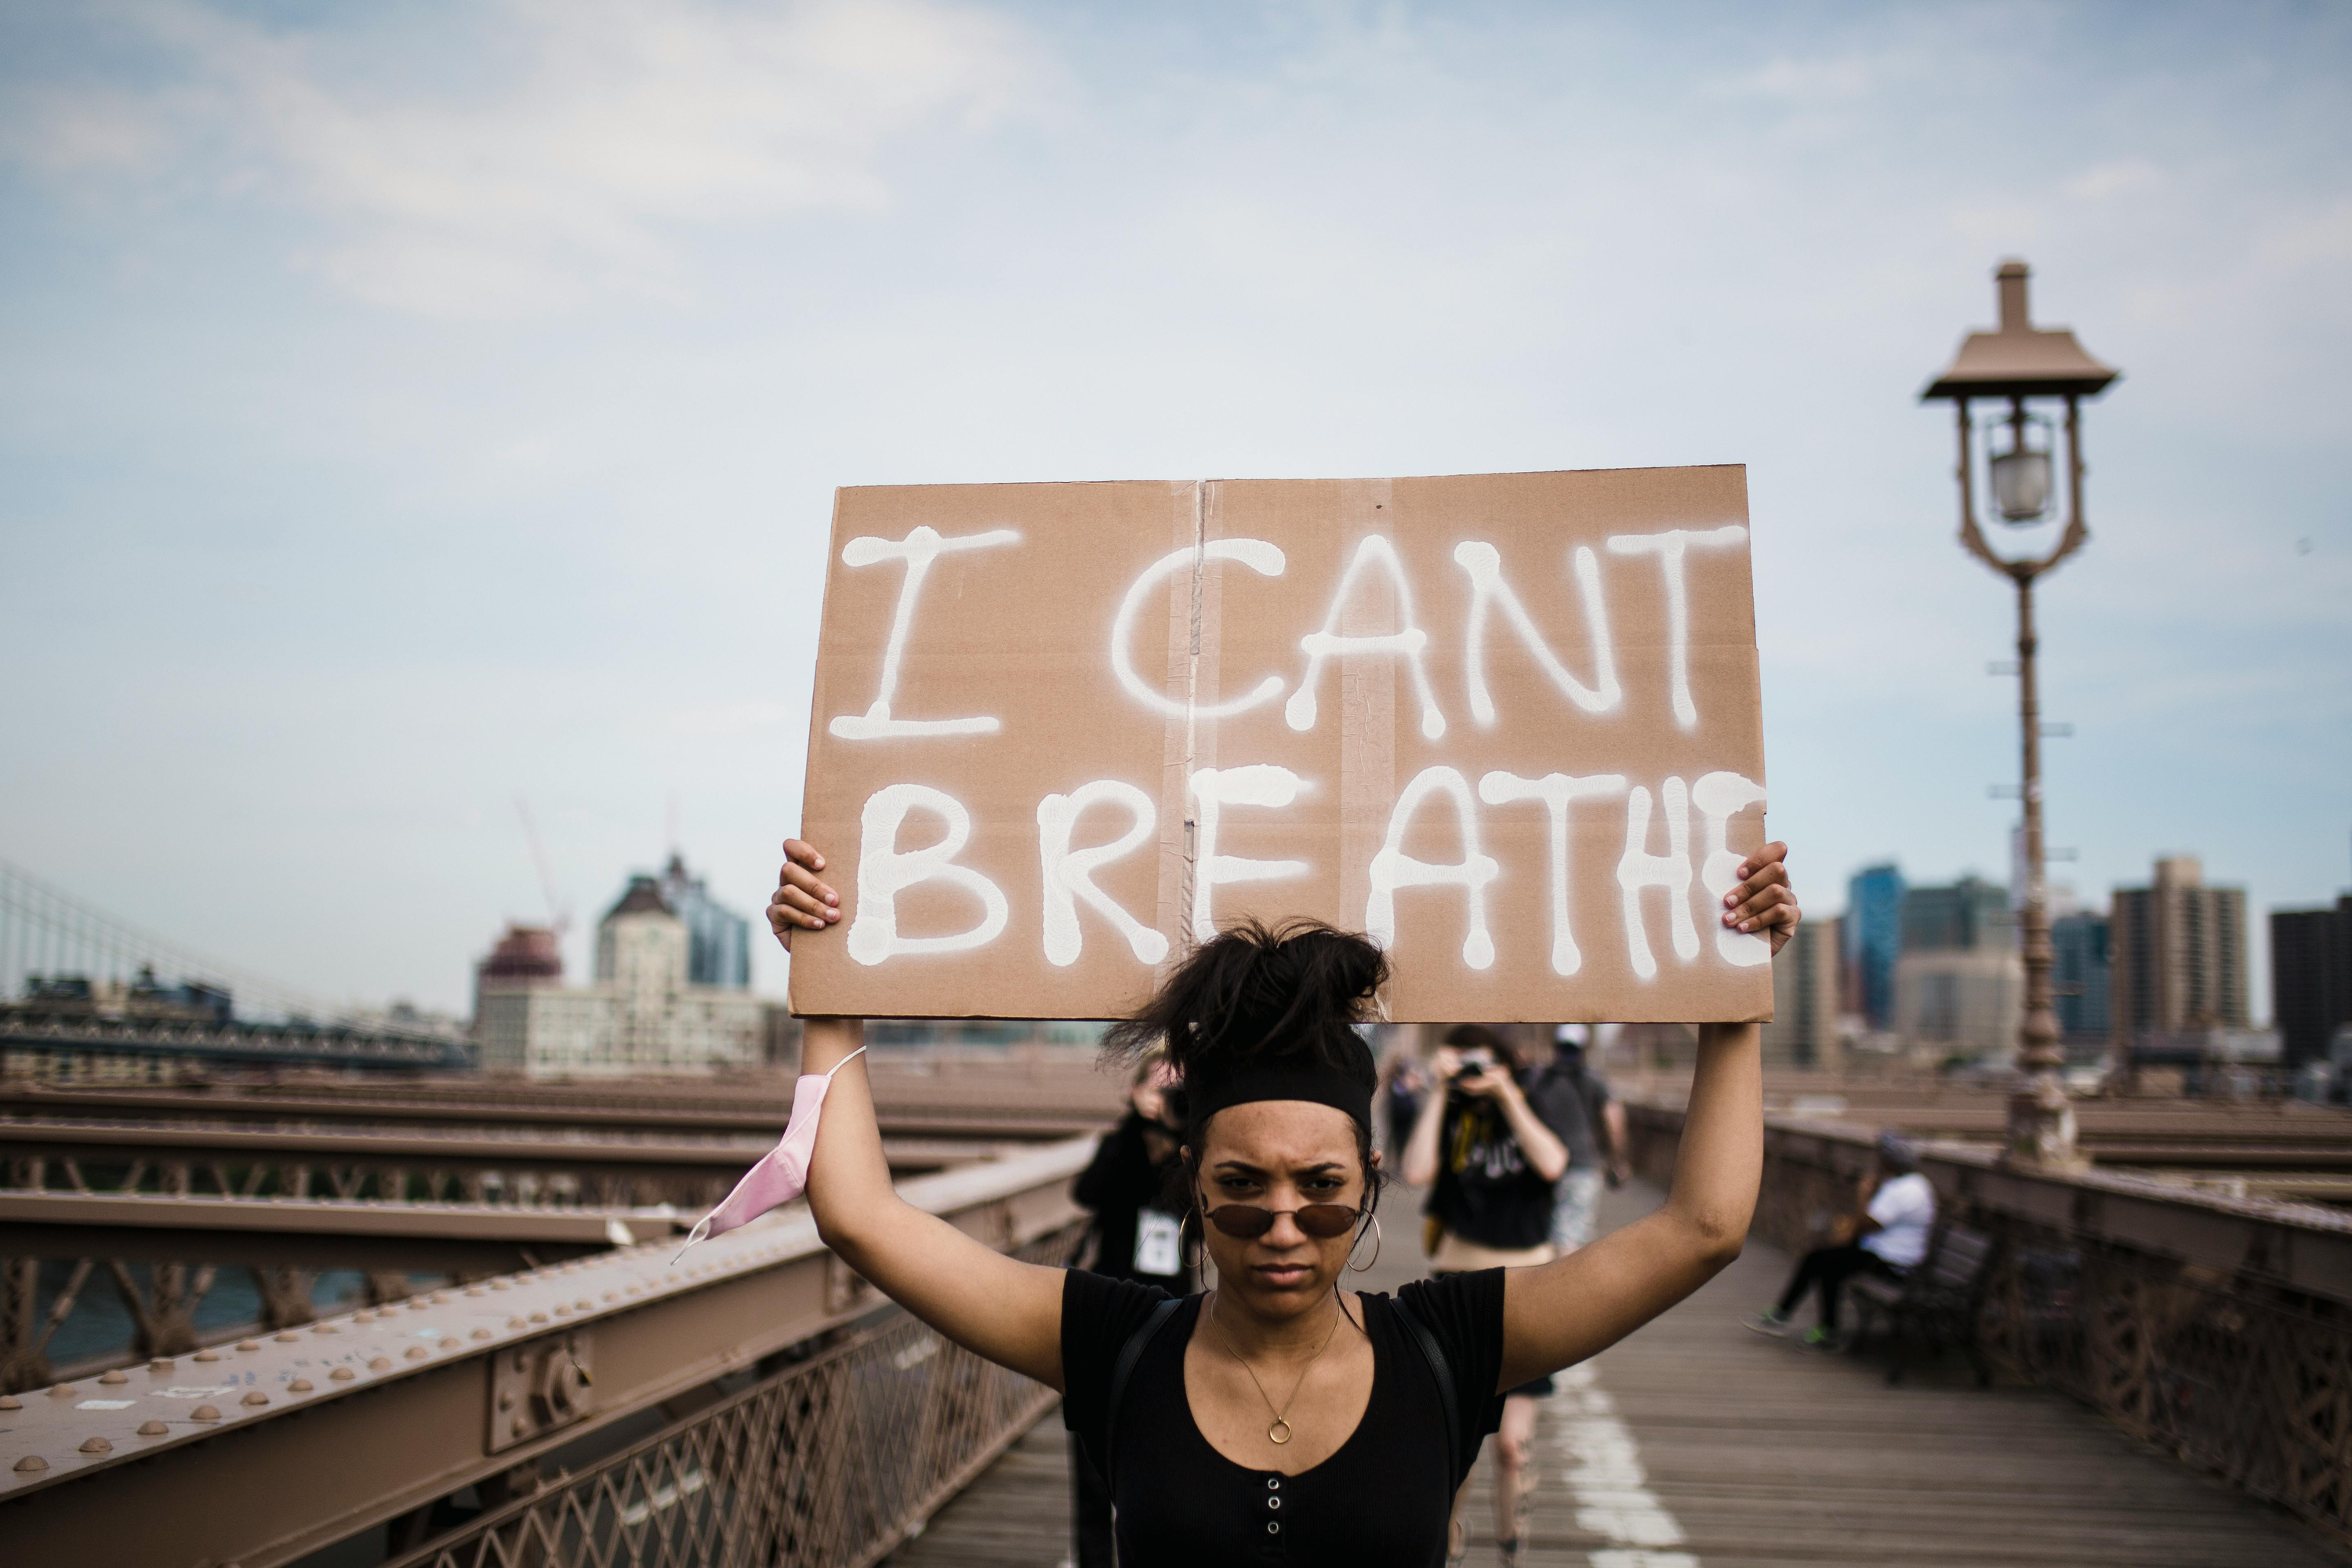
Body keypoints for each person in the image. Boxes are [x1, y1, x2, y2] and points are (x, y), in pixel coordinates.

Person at [767, 833, 1798, 1568]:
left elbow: (1702, 1227)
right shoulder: (1112, 1341)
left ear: (1372, 1185)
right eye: (1241, 1190)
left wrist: (1734, 996)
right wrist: (829, 977)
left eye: (1324, 1191)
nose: (1285, 1227)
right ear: (1193, 1188)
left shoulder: (1449, 1345)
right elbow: (861, 1216)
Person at [1400, 1023, 1586, 1564]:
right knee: (1460, 1448)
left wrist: (1506, 1093)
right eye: (1461, 1062)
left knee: (1510, 1445)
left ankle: (1511, 1550)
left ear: (1506, 1061)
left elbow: (1553, 1163)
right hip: (1456, 1291)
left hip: (1526, 1290)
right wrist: (1441, 1090)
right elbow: (1416, 1172)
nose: (1472, 1074)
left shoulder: (1537, 1097)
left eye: (1481, 1062)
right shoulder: (1447, 1108)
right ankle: (1451, 1548)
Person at [1067, 1048, 1190, 1566]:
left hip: (1172, 1313)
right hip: (1108, 1307)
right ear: (1138, 1091)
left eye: (1177, 1089)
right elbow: (1088, 1192)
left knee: (1159, 1447)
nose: (1164, 1098)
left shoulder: (1197, 1151)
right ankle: (1094, 1557)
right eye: (1156, 1088)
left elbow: (1203, 1214)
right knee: (1093, 1449)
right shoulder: (1120, 1144)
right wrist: (1132, 1131)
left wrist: (1180, 1136)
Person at [1747, 1132, 1936, 1348]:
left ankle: (1821, 1328)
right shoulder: (1915, 1184)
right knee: (1818, 1259)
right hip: (1884, 1253)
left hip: (1892, 1263)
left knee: (1827, 1266)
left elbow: (1867, 1225)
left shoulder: (1904, 1191)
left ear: (1890, 1161)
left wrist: (1863, 1194)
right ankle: (1788, 1316)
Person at [1541, 1025, 1630, 1256]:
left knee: (1549, 1233)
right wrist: (1617, 1160)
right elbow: (1614, 1121)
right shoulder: (1594, 1080)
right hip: (1583, 1165)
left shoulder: (1541, 1080)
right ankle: (1567, 1289)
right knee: (1572, 1234)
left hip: (1544, 1166)